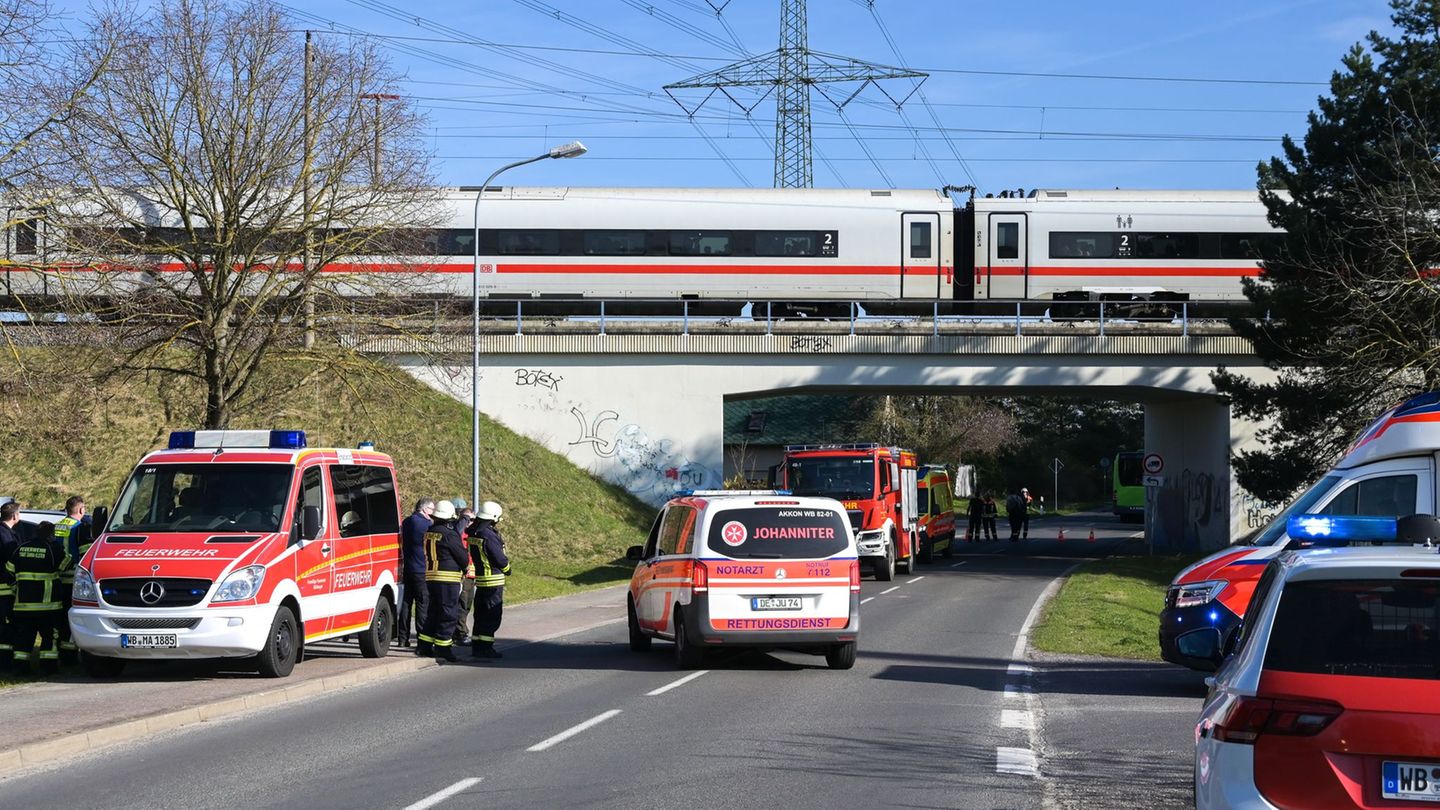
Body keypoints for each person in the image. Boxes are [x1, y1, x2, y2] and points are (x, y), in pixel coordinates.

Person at [7, 521, 69, 674]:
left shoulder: (20, 548)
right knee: (49, 638)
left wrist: (17, 587)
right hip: (48, 606)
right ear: (51, 535)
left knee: (23, 638)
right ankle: (48, 668)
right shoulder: (53, 548)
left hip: (23, 606)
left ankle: (20, 668)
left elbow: (9, 570)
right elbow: (67, 565)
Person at [418, 500, 466, 662]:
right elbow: (461, 555)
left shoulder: (429, 531)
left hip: (431, 577)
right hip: (447, 578)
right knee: (448, 613)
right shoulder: (449, 534)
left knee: (433, 612)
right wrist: (465, 566)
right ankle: (443, 647)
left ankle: (424, 646)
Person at [466, 500, 511, 660]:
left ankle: (477, 646)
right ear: (493, 518)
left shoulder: (474, 532)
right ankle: (486, 648)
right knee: (491, 615)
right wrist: (508, 569)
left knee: (480, 614)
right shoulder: (489, 536)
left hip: (481, 579)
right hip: (493, 580)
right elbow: (499, 558)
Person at [52, 496, 89, 665]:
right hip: (72, 580)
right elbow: (85, 555)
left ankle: (58, 650)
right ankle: (69, 657)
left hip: (56, 579)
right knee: (71, 619)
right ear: (81, 510)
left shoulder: (56, 526)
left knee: (58, 619)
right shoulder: (80, 528)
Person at [398, 498, 434, 648]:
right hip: (421, 570)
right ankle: (422, 638)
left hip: (408, 568)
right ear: (425, 509)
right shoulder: (427, 525)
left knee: (406, 603)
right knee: (422, 604)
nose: (433, 513)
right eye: (432, 509)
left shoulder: (406, 522)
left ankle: (402, 638)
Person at [451, 502, 476, 647]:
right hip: (463, 574)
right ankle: (460, 633)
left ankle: (459, 630)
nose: (471, 523)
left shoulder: (471, 533)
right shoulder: (459, 533)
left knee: (467, 604)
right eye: (469, 519)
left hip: (471, 575)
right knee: (462, 603)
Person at [0, 502, 21, 670]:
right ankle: (5, 663)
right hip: (5, 588)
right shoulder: (6, 535)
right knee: (6, 627)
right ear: (14, 516)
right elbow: (11, 561)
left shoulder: (5, 532)